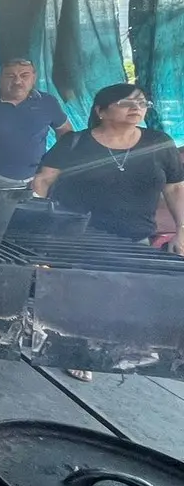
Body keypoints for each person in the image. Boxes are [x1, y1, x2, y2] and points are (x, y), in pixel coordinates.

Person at [33, 84, 183, 381]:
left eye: (141, 102)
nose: (136, 107)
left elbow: (175, 188)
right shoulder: (75, 143)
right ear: (101, 111)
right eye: (126, 102)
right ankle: (79, 350)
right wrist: (40, 218)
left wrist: (182, 229)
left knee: (120, 296)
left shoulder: (159, 143)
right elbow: (43, 180)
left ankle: (101, 350)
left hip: (133, 235)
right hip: (76, 234)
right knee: (81, 294)